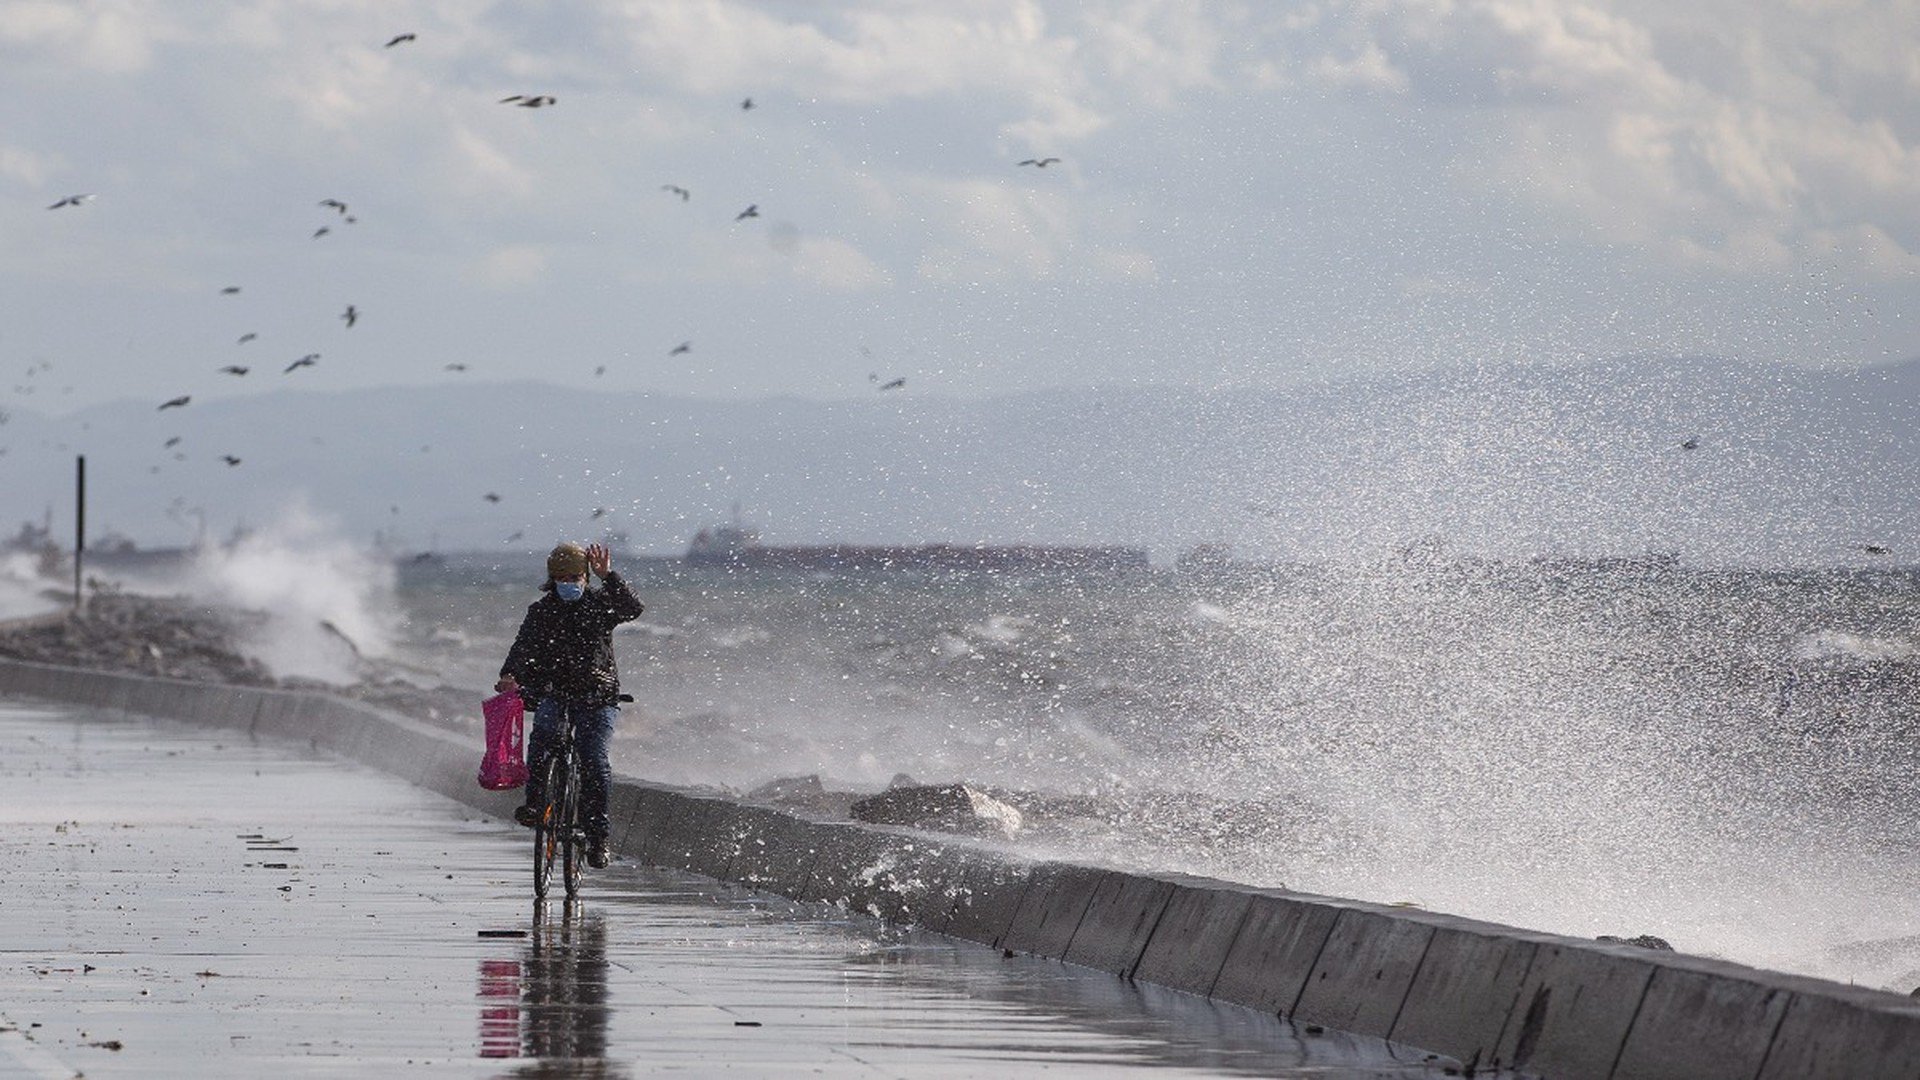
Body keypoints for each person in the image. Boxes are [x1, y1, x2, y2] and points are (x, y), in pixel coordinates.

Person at [495, 541, 645, 869]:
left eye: (575, 576)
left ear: (585, 577)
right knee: (543, 739)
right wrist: (509, 675)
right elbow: (523, 646)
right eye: (562, 577)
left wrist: (609, 576)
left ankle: (598, 837)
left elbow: (633, 608)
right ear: (552, 578)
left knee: (594, 759)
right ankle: (535, 805)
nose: (568, 583)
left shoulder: (600, 604)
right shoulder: (542, 611)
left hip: (598, 695)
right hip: (555, 693)